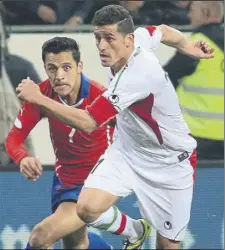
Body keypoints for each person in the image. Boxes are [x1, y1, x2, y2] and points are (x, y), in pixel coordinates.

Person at [15, 5, 214, 250]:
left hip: (170, 163)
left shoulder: (138, 75)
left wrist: (38, 98)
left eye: (109, 38)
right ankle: (136, 231)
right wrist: (185, 45)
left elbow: (88, 122)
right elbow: (161, 31)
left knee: (168, 247)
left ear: (128, 40)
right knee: (87, 208)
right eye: (98, 37)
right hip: (128, 152)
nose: (101, 46)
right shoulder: (138, 39)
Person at [5, 37, 114, 249]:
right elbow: (13, 139)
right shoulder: (42, 93)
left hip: (97, 183)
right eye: (52, 69)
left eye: (66, 67)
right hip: (65, 182)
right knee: (77, 244)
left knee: (40, 236)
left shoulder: (100, 95)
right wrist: (22, 157)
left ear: (79, 66)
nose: (59, 76)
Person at [164, 1, 224, 160]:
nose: (189, 14)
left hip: (198, 136)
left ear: (205, 13)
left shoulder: (197, 45)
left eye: (193, 10)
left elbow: (165, 78)